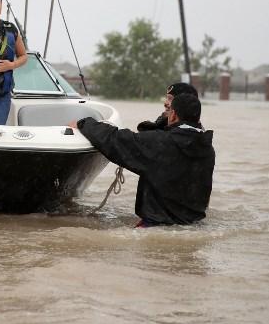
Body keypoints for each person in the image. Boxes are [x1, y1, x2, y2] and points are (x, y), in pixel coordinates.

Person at [69, 93, 215, 227]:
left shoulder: (161, 143)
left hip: (157, 226)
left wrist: (85, 124)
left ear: (174, 115)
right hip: (195, 226)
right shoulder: (208, 149)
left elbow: (117, 140)